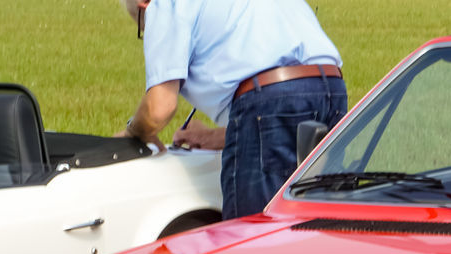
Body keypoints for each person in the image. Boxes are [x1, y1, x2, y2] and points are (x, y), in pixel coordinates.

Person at [117, 0, 348, 219]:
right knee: (318, 225)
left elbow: (160, 107)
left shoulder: (161, 5)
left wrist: (133, 132)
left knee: (253, 238)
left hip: (271, 98)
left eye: (142, 28)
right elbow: (292, 90)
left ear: (142, 6)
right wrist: (221, 136)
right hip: (333, 88)